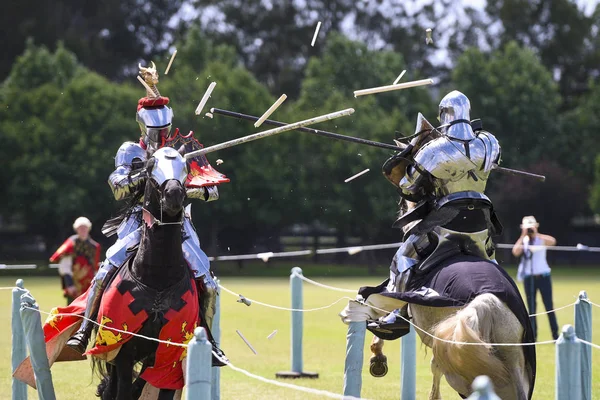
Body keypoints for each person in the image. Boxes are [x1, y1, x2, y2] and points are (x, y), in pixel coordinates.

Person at [65, 62, 229, 361]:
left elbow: (212, 189)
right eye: (154, 129)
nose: (160, 134)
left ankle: (210, 342)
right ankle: (86, 329)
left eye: (163, 129)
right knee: (105, 271)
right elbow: (118, 187)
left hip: (178, 220)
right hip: (139, 221)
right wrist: (149, 175)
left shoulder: (184, 148)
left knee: (208, 281)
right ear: (143, 126)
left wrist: (176, 187)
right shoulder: (131, 150)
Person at [341, 90, 503, 336]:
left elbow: (408, 186)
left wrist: (409, 156)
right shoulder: (489, 142)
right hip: (481, 221)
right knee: (492, 264)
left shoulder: (434, 149)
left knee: (404, 258)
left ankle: (400, 312)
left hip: (446, 221)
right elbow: (493, 163)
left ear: (443, 116)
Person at [512, 215, 559, 340]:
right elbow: (515, 252)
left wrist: (536, 234)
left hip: (543, 276)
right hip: (529, 278)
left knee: (549, 306)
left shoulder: (540, 239)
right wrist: (523, 236)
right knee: (531, 309)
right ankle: (534, 337)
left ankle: (555, 335)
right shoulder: (524, 241)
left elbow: (553, 241)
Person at [50, 217, 101, 304]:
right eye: (80, 228)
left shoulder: (94, 246)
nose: (83, 230)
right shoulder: (71, 244)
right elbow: (64, 266)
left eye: (85, 227)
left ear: (89, 228)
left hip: (89, 286)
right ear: (76, 229)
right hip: (74, 285)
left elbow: (95, 268)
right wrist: (69, 284)